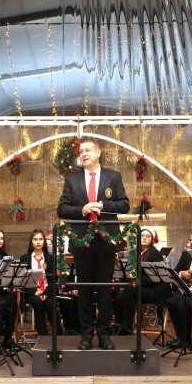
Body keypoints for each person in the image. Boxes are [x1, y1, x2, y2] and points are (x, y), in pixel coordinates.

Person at [56, 137, 130, 350]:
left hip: (106, 240)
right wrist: (83, 210)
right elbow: (62, 209)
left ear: (98, 152)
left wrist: (102, 205)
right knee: (84, 289)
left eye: (88, 150)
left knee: (106, 289)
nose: (84, 154)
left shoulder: (113, 177)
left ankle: (104, 334)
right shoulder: (73, 179)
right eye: (81, 152)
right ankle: (86, 335)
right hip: (81, 240)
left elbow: (124, 205)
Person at [113, 227, 170, 334]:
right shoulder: (136, 253)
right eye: (142, 236)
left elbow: (153, 278)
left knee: (130, 291)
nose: (144, 238)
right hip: (143, 287)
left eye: (148, 236)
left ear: (152, 240)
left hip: (156, 289)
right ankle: (118, 326)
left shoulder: (154, 253)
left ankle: (127, 328)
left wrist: (135, 283)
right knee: (119, 297)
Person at [21, 230, 60, 336]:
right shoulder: (24, 258)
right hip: (32, 292)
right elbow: (22, 280)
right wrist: (35, 291)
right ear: (31, 242)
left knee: (50, 303)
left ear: (44, 242)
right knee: (38, 303)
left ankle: (58, 335)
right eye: (35, 239)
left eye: (40, 239)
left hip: (48, 291)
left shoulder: (50, 258)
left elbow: (53, 280)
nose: (38, 242)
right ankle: (44, 336)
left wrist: (45, 293)